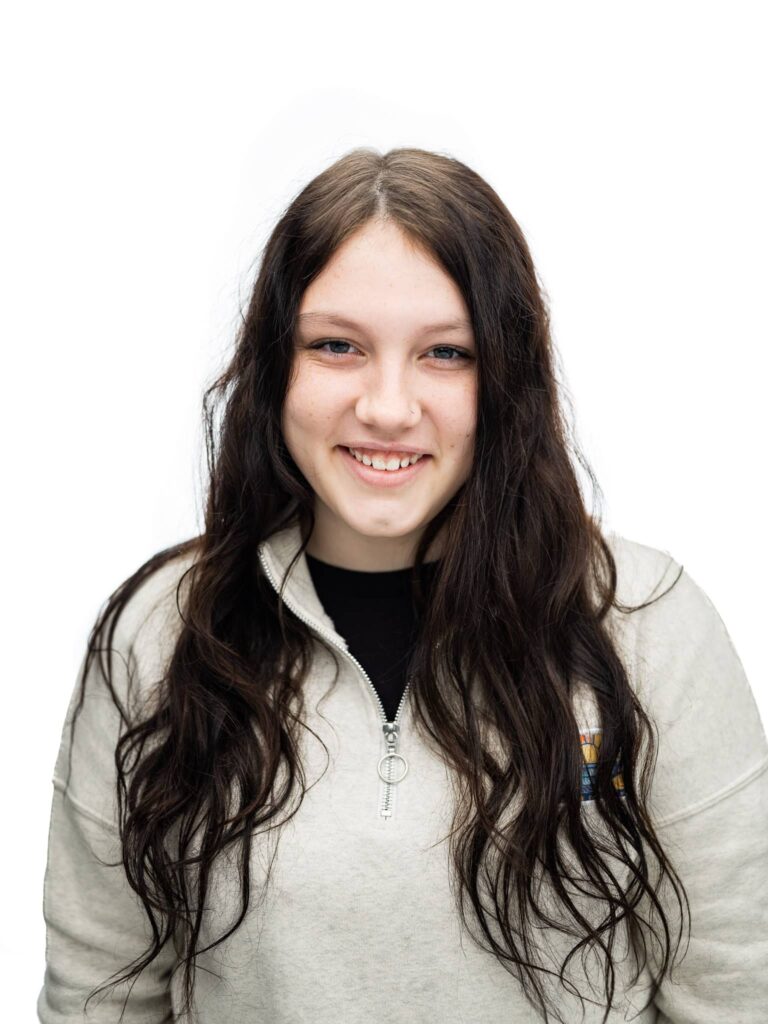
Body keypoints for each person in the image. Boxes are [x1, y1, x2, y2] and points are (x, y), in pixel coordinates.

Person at [37, 147, 768, 1024]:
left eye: (446, 353)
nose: (388, 407)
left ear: (507, 378)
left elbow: (738, 993)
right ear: (274, 365)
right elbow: (100, 998)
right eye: (337, 346)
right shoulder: (157, 631)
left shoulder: (647, 623)